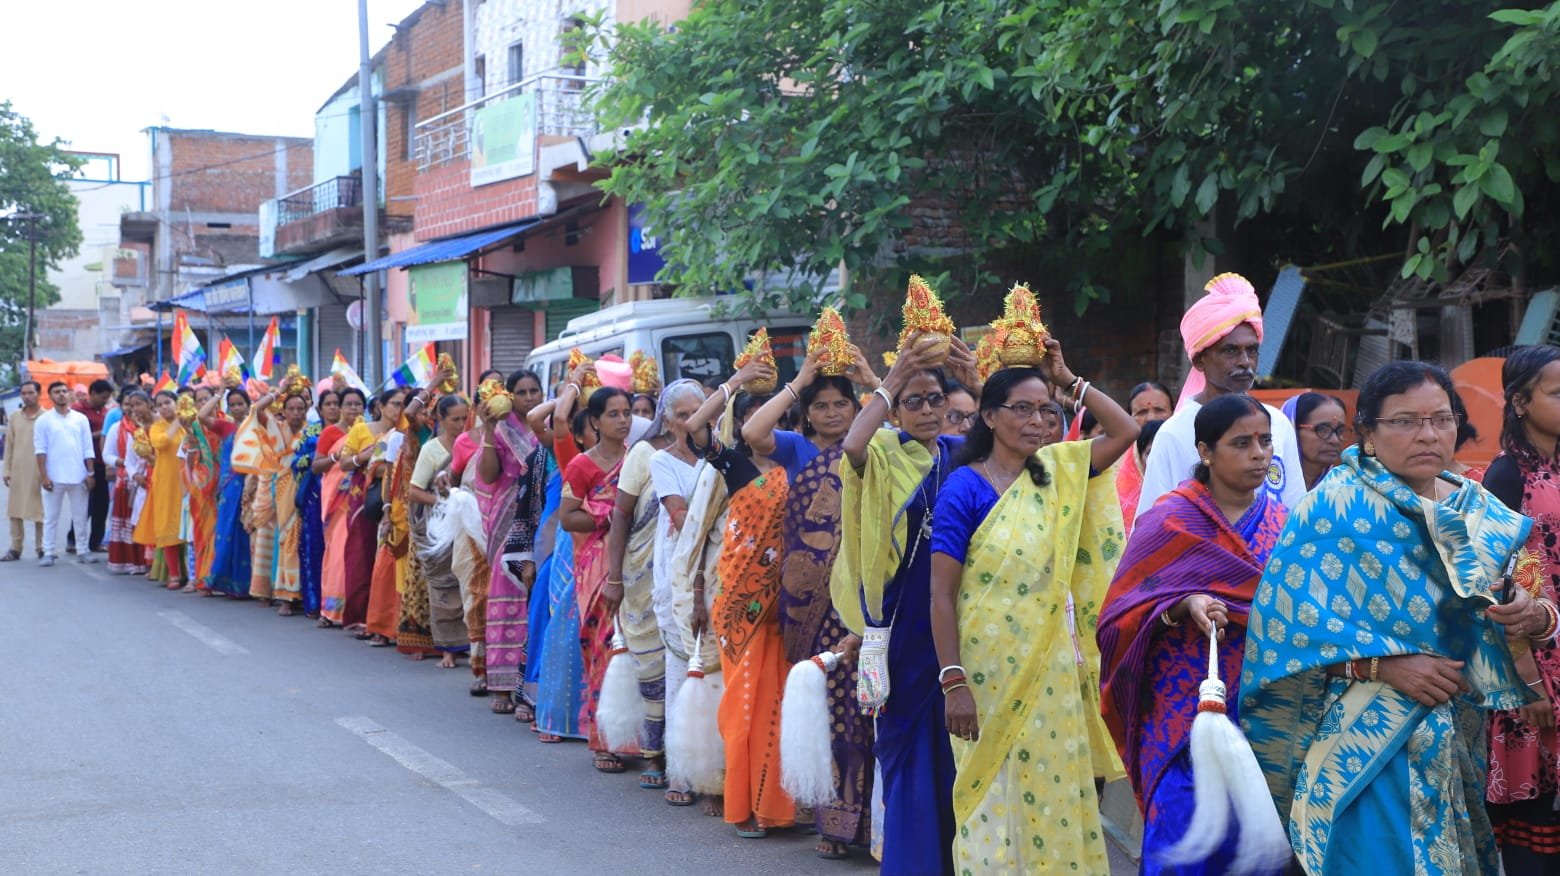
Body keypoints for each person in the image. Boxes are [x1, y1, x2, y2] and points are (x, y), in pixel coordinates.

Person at [1241, 360, 1552, 875]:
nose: (1427, 434)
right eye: (1405, 421)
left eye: (1442, 419)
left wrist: (1533, 616)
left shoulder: (1476, 509)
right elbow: (1280, 640)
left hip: (1457, 737)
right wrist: (1380, 667)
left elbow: (1517, 610)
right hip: (1365, 741)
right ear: (1367, 431)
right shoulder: (1332, 511)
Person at [929, 345, 1137, 873]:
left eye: (1047, 409)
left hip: (1051, 670)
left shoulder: (1059, 473)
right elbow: (941, 595)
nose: (1038, 421)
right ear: (990, 416)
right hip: (984, 673)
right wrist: (954, 682)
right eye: (1021, 408)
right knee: (991, 792)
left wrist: (1070, 378)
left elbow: (1125, 431)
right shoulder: (964, 487)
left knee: (1055, 789)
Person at [1098, 395, 1288, 874]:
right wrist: (1180, 606)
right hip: (1181, 716)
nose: (1258, 454)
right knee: (1182, 840)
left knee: (1257, 846)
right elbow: (1118, 614)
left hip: (1266, 711)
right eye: (1241, 443)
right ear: (1205, 451)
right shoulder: (1170, 521)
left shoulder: (1287, 525)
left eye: (1265, 442)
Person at [833, 333, 971, 875]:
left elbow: (1009, 432)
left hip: (958, 622)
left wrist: (978, 378)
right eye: (914, 401)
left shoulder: (962, 454)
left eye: (936, 399)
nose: (928, 410)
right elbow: (851, 447)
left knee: (953, 750)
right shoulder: (886, 452)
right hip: (903, 624)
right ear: (896, 408)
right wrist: (890, 381)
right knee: (908, 751)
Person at [742, 345, 879, 857]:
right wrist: (799, 379)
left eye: (840, 403)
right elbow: (753, 434)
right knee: (834, 711)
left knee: (872, 710)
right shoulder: (799, 452)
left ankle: (875, 825)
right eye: (820, 405)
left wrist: (869, 377)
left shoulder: (878, 447)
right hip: (816, 610)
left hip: (870, 601)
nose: (831, 413)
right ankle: (836, 824)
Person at [685, 365, 793, 837]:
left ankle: (779, 807)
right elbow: (694, 429)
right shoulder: (736, 466)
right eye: (759, 418)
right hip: (739, 603)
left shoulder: (803, 466)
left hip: (789, 600)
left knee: (783, 700)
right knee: (744, 703)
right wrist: (735, 381)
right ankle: (744, 805)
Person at [1479, 346, 1560, 873]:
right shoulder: (1506, 478)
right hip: (1530, 673)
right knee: (1535, 837)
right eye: (1557, 392)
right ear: (1520, 401)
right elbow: (1494, 589)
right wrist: (1528, 682)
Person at [605, 378, 704, 799]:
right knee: (653, 666)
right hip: (648, 574)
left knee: (689, 668)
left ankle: (690, 760)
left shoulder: (717, 458)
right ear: (666, 418)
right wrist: (614, 578)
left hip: (698, 573)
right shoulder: (648, 455)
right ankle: (654, 754)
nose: (692, 421)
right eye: (682, 414)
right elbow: (621, 517)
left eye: (697, 412)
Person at [1138, 273, 1304, 517]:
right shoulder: (1174, 434)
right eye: (1230, 351)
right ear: (1199, 359)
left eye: (1252, 350)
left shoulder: (1277, 423)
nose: (1245, 362)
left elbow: (1296, 513)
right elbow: (1153, 525)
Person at [561, 386, 634, 772]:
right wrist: (611, 516)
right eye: (614, 414)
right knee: (603, 650)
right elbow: (568, 517)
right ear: (595, 421)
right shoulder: (582, 466)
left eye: (627, 413)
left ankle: (637, 739)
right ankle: (604, 739)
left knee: (635, 651)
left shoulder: (639, 457)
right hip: (596, 568)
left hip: (635, 564)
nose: (623, 421)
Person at [474, 369, 546, 710]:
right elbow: (488, 475)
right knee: (507, 596)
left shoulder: (549, 428)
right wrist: (489, 431)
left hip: (543, 517)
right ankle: (502, 686)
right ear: (511, 396)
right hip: (508, 522)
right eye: (523, 392)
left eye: (535, 391)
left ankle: (532, 686)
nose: (530, 397)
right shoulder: (502, 429)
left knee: (539, 602)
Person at [339, 387, 414, 638]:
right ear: (381, 406)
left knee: (390, 560)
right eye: (394, 403)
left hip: (398, 500)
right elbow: (344, 463)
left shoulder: (408, 433)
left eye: (403, 404)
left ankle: (388, 620)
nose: (398, 409)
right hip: (366, 497)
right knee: (362, 555)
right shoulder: (364, 430)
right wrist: (366, 458)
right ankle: (361, 616)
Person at [409, 393, 471, 669]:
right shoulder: (432, 450)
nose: (460, 424)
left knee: (469, 581)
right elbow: (414, 491)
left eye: (464, 418)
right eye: (454, 420)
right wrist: (445, 503)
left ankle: (473, 642)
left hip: (469, 523)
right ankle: (447, 648)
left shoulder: (474, 444)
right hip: (440, 526)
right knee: (443, 586)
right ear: (441, 420)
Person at [242, 377, 312, 613]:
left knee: (305, 540)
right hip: (283, 490)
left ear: (307, 409)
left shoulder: (311, 431)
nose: (295, 413)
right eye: (291, 408)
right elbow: (256, 409)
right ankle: (286, 596)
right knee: (287, 539)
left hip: (307, 489)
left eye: (300, 408)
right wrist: (279, 391)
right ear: (283, 410)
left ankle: (305, 593)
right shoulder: (276, 428)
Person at [35, 381, 97, 568]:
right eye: (57, 392)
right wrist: (44, 476)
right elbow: (40, 450)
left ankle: (83, 550)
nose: (61, 394)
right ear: (50, 396)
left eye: (64, 391)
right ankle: (48, 552)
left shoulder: (80, 419)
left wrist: (91, 472)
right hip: (53, 477)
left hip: (79, 475)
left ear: (69, 394)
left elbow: (88, 447)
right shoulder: (43, 421)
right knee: (51, 517)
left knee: (80, 516)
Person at [317, 388, 364, 626]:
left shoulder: (368, 432)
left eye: (358, 404)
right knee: (336, 555)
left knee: (357, 556)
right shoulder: (331, 433)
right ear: (342, 408)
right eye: (349, 404)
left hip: (359, 502)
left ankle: (355, 611)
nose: (353, 408)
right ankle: (330, 610)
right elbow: (317, 466)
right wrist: (338, 458)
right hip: (338, 503)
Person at [133, 391, 187, 587]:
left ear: (177, 403)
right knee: (167, 525)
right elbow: (161, 442)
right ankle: (174, 574)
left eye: (168, 402)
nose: (165, 407)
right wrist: (178, 422)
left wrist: (185, 422)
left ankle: (192, 573)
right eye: (160, 404)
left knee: (188, 525)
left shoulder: (190, 424)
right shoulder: (157, 427)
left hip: (188, 480)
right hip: (165, 483)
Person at [294, 389, 338, 617]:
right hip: (316, 495)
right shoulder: (311, 433)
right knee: (314, 547)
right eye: (328, 404)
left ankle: (337, 606)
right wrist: (319, 458)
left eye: (336, 403)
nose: (332, 407)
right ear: (319, 409)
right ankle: (314, 602)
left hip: (343, 497)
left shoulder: (351, 432)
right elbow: (297, 462)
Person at [206, 388, 252, 597]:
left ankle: (247, 584)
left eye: (240, 403)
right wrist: (218, 394)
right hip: (229, 487)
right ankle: (222, 581)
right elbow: (201, 416)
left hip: (251, 485)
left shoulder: (256, 426)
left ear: (248, 404)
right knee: (226, 532)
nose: (236, 408)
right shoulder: (226, 427)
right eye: (232, 404)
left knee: (246, 533)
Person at [103, 391, 153, 575]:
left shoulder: (155, 426)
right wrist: (128, 467)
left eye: (137, 404)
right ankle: (133, 562)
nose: (132, 409)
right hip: (128, 481)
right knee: (132, 522)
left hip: (153, 478)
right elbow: (107, 455)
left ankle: (149, 562)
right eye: (128, 405)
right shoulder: (118, 428)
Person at [3, 381, 45, 561]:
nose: (27, 396)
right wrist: (6, 469)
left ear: (39, 394)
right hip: (18, 469)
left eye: (30, 393)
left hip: (40, 469)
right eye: (24, 393)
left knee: (41, 511)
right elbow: (9, 445)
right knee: (15, 509)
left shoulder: (47, 417)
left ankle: (42, 547)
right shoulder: (14, 417)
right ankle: (15, 548)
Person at [74, 378, 114, 553]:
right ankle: (73, 539)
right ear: (93, 394)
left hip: (101, 463)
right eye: (103, 397)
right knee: (83, 504)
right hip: (82, 463)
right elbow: (76, 436)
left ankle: (95, 542)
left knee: (101, 504)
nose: (105, 401)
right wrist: (101, 434)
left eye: (107, 398)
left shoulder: (105, 412)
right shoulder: (77, 411)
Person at [1284, 391, 1350, 491]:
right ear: (1293, 430)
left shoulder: (1346, 491)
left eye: (1340, 431)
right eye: (1323, 430)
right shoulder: (1265, 487)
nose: (1335, 440)